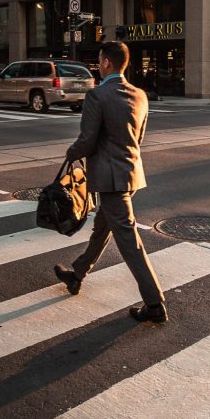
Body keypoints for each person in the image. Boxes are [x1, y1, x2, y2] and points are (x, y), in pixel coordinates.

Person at [54, 40, 167, 323]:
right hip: (130, 173)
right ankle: (77, 274)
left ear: (106, 62)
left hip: (108, 178)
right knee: (101, 229)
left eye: (100, 60)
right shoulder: (140, 94)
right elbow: (137, 139)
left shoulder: (98, 96)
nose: (99, 64)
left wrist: (72, 153)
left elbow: (87, 140)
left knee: (129, 241)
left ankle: (155, 304)